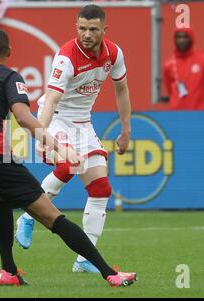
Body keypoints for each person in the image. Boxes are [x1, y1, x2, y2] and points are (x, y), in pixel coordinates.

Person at [0, 28, 137, 287]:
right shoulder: (9, 76)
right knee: (54, 218)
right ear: (9, 52)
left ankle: (9, 272)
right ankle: (110, 274)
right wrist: (58, 146)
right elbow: (25, 118)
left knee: (2, 199)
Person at [15, 4, 132, 274]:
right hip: (55, 117)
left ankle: (85, 259)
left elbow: (122, 90)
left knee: (101, 188)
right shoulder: (66, 56)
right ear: (76, 27)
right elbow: (52, 98)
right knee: (69, 164)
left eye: (92, 29)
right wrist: (40, 132)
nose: (86, 34)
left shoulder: (114, 54)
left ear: (104, 29)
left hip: (82, 122)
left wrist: (126, 130)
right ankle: (27, 216)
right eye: (81, 28)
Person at [163, 27, 204, 110]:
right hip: (177, 114)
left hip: (203, 113)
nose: (181, 40)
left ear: (191, 39)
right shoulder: (168, 64)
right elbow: (169, 89)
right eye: (178, 37)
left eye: (185, 37)